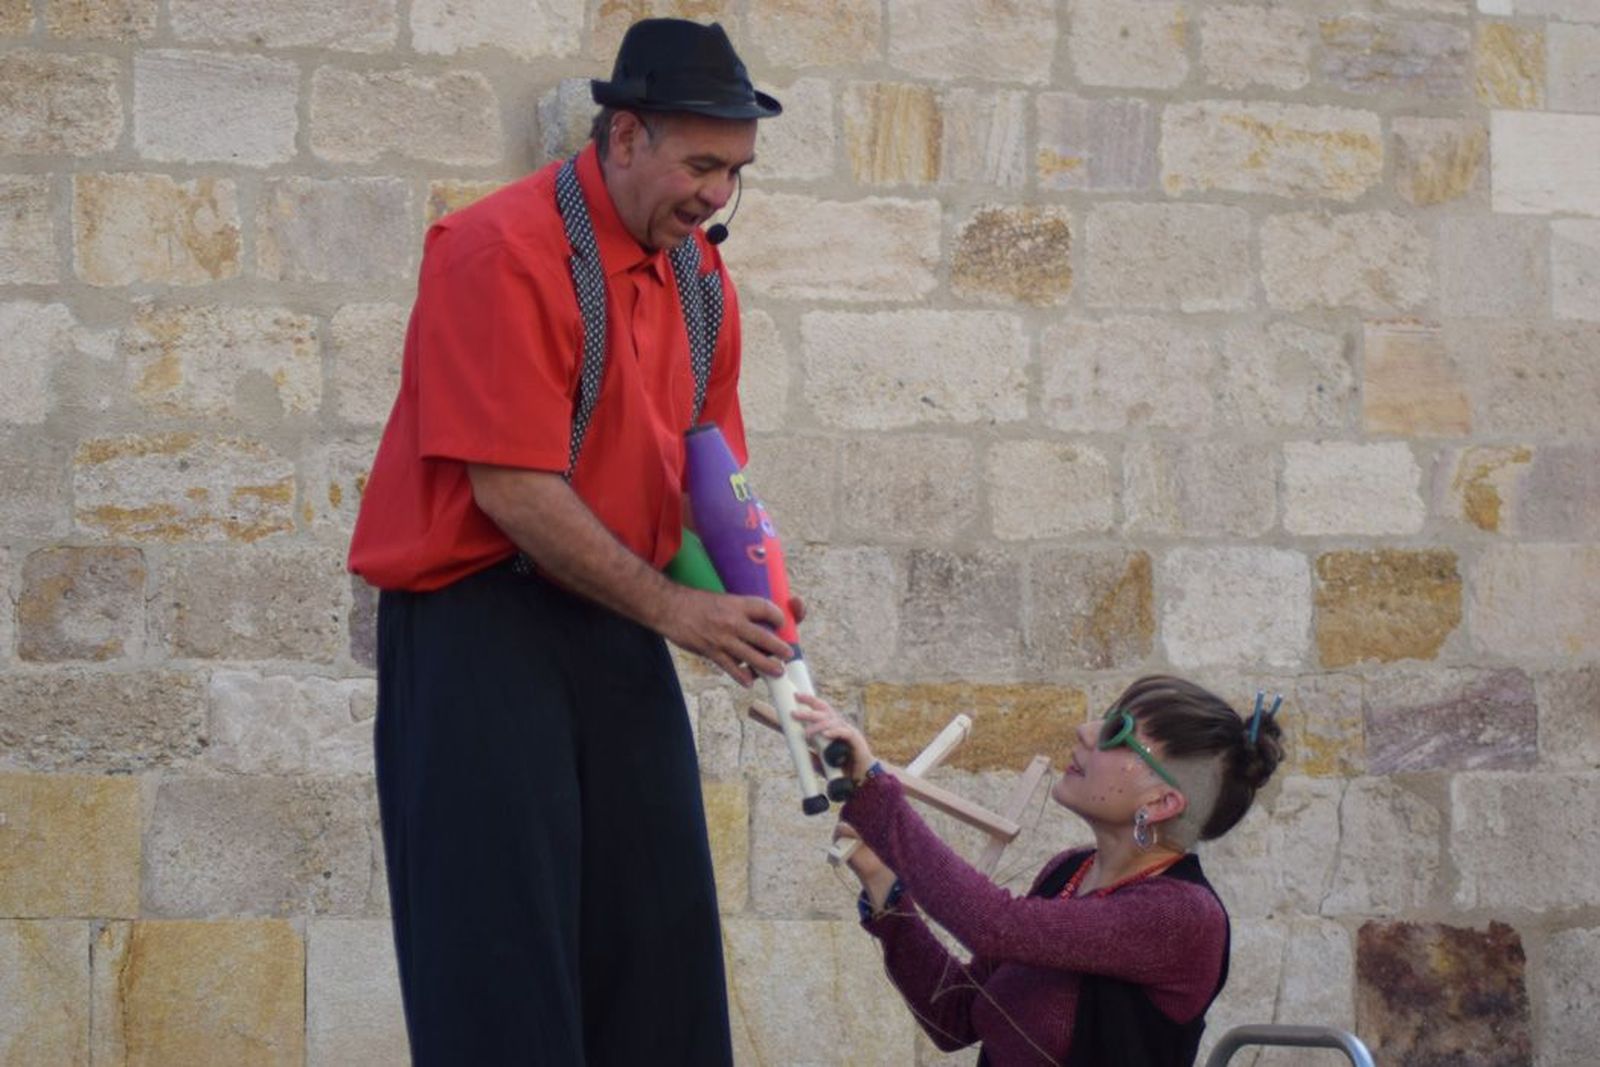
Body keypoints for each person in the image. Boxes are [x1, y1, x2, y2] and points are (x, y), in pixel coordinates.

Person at [347, 19, 786, 1065]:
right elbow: (510, 488)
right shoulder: (497, 248)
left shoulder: (701, 282)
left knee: (660, 939)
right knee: (500, 958)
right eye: (701, 164)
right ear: (623, 136)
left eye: (734, 171)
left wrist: (772, 635)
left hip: (613, 616)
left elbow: (708, 479)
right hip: (476, 628)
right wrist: (682, 611)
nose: (717, 193)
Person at [792, 675, 1285, 1067]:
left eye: (1117, 733)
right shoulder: (1067, 872)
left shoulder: (1181, 916)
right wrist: (882, 881)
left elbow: (992, 924)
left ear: (1161, 802)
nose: (1086, 732)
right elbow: (954, 1017)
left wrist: (873, 790)